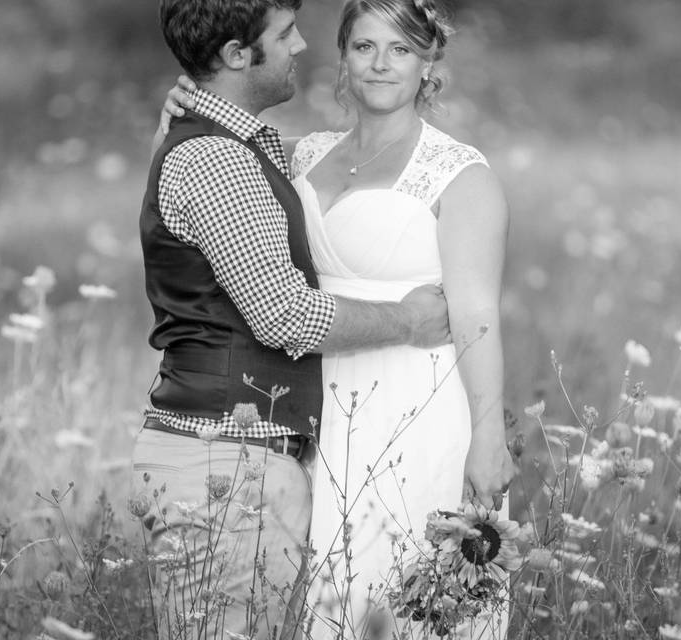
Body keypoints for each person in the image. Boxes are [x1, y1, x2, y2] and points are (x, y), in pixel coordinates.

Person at [159, 0, 516, 637]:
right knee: (325, 597)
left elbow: (478, 313)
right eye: (365, 47)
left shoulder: (460, 175)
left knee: (414, 599)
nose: (381, 65)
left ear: (428, 62)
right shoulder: (300, 157)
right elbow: (211, 167)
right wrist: (174, 118)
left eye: (401, 49)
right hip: (322, 412)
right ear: (343, 59)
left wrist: (488, 437)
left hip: (420, 404)